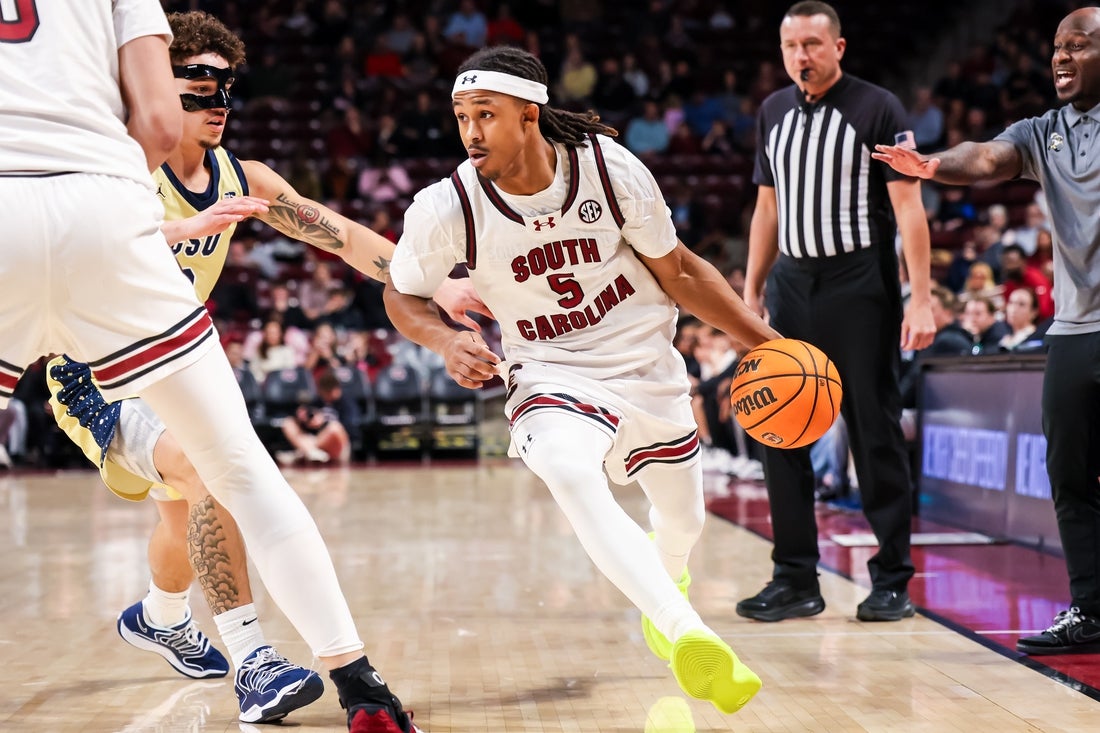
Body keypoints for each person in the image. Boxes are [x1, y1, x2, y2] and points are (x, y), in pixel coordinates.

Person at [1, 7, 471, 732]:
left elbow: (342, 236)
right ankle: (254, 659)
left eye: (225, 88)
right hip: (94, 374)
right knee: (209, 473)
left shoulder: (242, 177)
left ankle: (160, 616)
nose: (216, 102)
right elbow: (100, 227)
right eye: (196, 85)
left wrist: (435, 284)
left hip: (166, 356)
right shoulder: (124, 159)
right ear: (157, 83)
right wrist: (175, 228)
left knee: (185, 511)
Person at [383, 45, 781, 716]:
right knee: (567, 470)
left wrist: (769, 345)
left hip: (645, 364)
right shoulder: (446, 207)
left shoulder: (610, 169)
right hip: (549, 369)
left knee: (683, 521)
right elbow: (402, 293)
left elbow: (681, 271)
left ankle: (668, 576)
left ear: (529, 115)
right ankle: (686, 629)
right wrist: (445, 339)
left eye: (486, 114)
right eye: (462, 116)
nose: (471, 131)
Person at [873, 6, 1100, 655]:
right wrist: (933, 166)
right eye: (1057, 47)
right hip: (1075, 328)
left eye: (1079, 46)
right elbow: (985, 156)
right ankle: (1091, 609)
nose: (1061, 57)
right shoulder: (1043, 131)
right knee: (1069, 475)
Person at [738, 1, 936, 624]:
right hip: (792, 283)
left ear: (838, 47)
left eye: (813, 44)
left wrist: (921, 296)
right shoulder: (773, 111)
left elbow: (909, 208)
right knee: (777, 425)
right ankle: (795, 576)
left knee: (873, 427)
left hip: (859, 283)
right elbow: (767, 208)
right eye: (791, 46)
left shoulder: (878, 108)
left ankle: (893, 580)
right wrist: (751, 291)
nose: (801, 55)